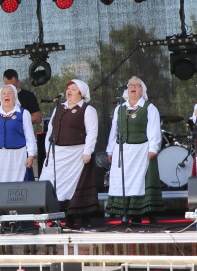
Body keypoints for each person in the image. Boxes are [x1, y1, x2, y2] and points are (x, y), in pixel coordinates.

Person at [41, 79, 100, 228]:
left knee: (73, 187)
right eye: (68, 89)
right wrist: (48, 149)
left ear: (81, 93)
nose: (69, 91)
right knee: (53, 183)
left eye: (73, 89)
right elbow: (50, 131)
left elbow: (92, 132)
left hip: (76, 154)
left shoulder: (88, 110)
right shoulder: (58, 108)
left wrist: (88, 152)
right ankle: (55, 215)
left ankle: (73, 217)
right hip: (58, 153)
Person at [105, 77, 164, 223]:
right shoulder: (119, 108)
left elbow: (154, 130)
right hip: (123, 151)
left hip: (141, 150)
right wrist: (110, 150)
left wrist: (153, 148)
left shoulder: (149, 108)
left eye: (137, 85)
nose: (133, 87)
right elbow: (114, 131)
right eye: (130, 85)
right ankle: (127, 213)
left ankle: (146, 214)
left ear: (142, 90)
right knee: (124, 181)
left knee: (141, 182)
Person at [0, 84, 37, 218]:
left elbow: (29, 136)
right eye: (3, 94)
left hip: (18, 156)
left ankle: (18, 212)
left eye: (9, 93)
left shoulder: (23, 113)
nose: (6, 96)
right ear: (0, 97)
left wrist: (31, 155)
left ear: (14, 96)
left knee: (16, 183)